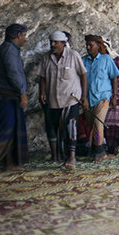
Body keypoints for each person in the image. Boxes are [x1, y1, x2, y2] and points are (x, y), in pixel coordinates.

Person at [38, 31, 87, 169]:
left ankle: (72, 158)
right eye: (51, 42)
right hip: (53, 101)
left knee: (71, 128)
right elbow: (42, 77)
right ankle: (61, 156)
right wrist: (42, 92)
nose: (52, 45)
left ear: (63, 43)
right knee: (58, 129)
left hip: (70, 99)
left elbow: (83, 75)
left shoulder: (73, 56)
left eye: (56, 42)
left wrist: (84, 97)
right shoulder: (46, 58)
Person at [0, 23, 29, 174]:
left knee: (13, 130)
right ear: (18, 35)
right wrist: (23, 92)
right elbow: (13, 73)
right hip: (4, 96)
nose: (25, 39)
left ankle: (10, 164)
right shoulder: (8, 49)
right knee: (5, 128)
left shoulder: (12, 50)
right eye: (24, 35)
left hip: (10, 96)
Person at [82, 35, 119, 163]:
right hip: (88, 98)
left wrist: (114, 95)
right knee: (91, 125)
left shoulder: (106, 59)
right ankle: (101, 151)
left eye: (90, 45)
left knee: (98, 124)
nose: (88, 47)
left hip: (103, 97)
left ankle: (98, 153)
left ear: (98, 46)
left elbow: (114, 76)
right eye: (86, 45)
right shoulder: (83, 60)